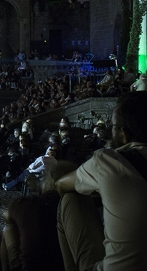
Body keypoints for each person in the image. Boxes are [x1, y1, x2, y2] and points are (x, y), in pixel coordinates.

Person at [55, 91, 147, 271]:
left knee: (70, 200)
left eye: (113, 126)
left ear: (124, 134)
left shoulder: (110, 161)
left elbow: (62, 184)